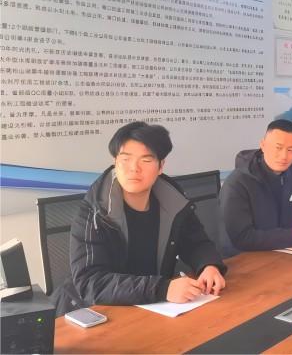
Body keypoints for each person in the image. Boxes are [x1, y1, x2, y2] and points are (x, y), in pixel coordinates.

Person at [53, 122, 226, 316]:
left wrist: (209, 266)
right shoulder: (95, 211)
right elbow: (91, 282)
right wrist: (162, 289)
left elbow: (196, 243)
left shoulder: (173, 201)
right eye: (125, 159)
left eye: (146, 160)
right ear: (115, 162)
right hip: (89, 311)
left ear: (161, 166)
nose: (134, 168)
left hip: (149, 309)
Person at [220, 119, 292, 254]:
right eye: (278, 148)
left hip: (289, 252)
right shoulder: (237, 183)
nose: (284, 156)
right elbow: (242, 237)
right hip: (249, 258)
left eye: (291, 150)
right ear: (263, 145)